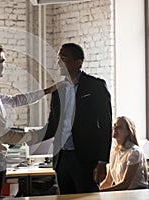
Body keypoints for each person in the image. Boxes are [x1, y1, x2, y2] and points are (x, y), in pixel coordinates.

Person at [0, 43, 57, 199]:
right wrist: (34, 136)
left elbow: (16, 101)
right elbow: (3, 136)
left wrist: (47, 91)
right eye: (2, 61)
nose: (5, 65)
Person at [36, 43, 113, 194]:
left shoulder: (95, 86)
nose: (58, 62)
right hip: (62, 159)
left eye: (63, 58)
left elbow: (106, 125)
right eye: (59, 58)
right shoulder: (58, 90)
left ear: (79, 62)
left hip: (85, 158)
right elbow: (52, 126)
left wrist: (102, 161)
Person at [100, 116, 148, 191]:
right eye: (114, 126)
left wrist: (101, 192)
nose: (115, 129)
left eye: (119, 127)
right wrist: (94, 192)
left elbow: (125, 184)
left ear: (128, 132)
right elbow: (108, 181)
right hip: (122, 194)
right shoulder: (113, 153)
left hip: (136, 194)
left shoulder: (134, 152)